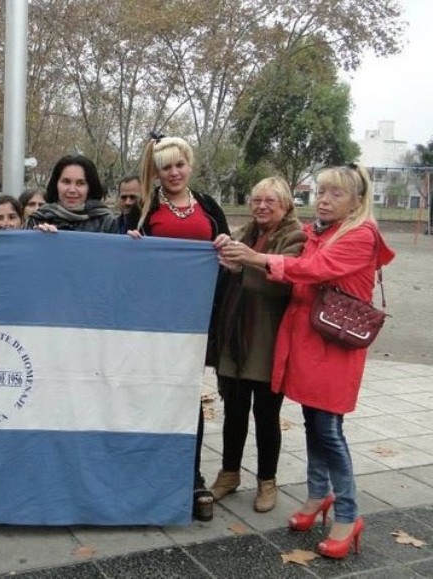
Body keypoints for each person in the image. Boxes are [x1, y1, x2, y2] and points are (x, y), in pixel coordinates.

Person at [216, 163, 395, 559]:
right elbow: (299, 273)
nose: (324, 199)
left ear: (357, 202)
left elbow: (313, 271)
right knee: (315, 425)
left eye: (335, 194)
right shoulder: (321, 231)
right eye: (322, 192)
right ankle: (318, 497)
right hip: (310, 345)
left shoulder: (360, 235)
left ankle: (348, 514)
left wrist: (257, 259)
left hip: (334, 349)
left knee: (330, 430)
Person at [127, 135, 230, 521]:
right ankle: (147, 471)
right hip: (151, 322)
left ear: (189, 165)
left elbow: (229, 256)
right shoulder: (144, 207)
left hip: (196, 321)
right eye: (165, 167)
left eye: (179, 165)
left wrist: (223, 247)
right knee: (148, 393)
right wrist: (132, 242)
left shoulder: (208, 206)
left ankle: (192, 476)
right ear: (157, 172)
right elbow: (120, 258)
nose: (173, 172)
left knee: (188, 396)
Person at [208, 177, 306, 513]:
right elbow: (227, 270)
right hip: (234, 337)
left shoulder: (296, 237)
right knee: (233, 411)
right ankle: (229, 473)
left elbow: (288, 282)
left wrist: (247, 262)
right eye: (256, 199)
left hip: (269, 339)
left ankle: (267, 481)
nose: (262, 206)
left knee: (266, 414)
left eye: (270, 201)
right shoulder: (243, 232)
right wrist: (224, 261)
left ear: (286, 205)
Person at [27, 155, 116, 233]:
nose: (72, 190)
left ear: (90, 186)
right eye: (66, 182)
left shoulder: (106, 222)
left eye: (80, 183)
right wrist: (37, 239)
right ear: (56, 184)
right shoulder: (39, 219)